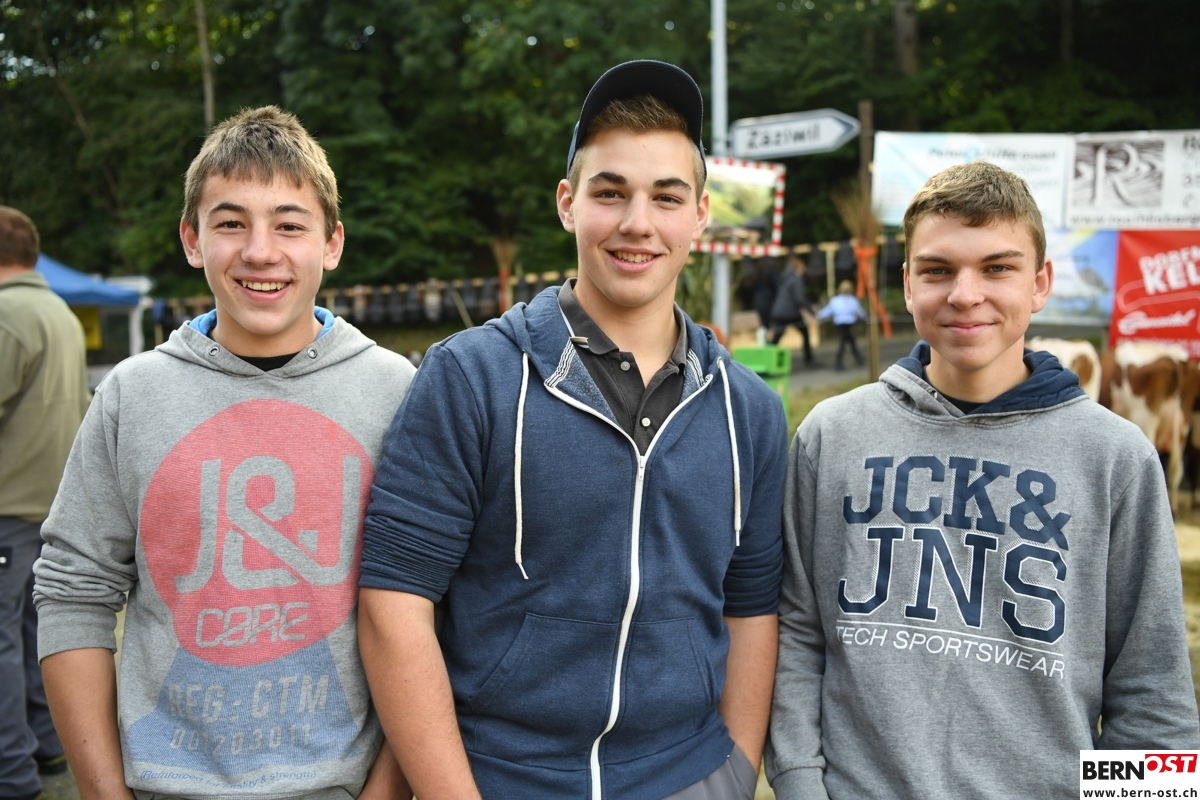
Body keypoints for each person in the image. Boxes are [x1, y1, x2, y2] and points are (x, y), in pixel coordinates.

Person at [358, 60, 787, 800]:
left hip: (687, 775)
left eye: (665, 197)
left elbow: (752, 610)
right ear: (568, 203)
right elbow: (393, 605)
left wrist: (735, 771)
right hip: (499, 778)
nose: (636, 223)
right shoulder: (471, 377)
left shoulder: (748, 409)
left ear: (700, 215)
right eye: (609, 192)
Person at [766, 160, 1200, 799]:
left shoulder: (1116, 458)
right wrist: (802, 785)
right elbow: (798, 633)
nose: (965, 294)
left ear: (1040, 283)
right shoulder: (831, 436)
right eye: (937, 270)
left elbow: (1153, 692)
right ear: (907, 283)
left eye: (997, 268)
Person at [33, 106, 415, 800]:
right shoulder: (132, 396)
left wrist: (386, 790)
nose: (260, 251)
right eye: (231, 222)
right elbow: (74, 591)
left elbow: (432, 604)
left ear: (332, 243)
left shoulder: (396, 392)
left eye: (289, 225)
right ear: (192, 238)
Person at [0, 206, 90, 800]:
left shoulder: (7, 314)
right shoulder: (58, 310)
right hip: (50, 500)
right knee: (33, 627)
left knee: (2, 637)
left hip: (8, 502)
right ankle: (46, 741)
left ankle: (10, 769)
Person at [769, 253, 816, 365]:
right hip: (790, 313)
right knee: (804, 333)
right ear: (799, 267)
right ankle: (808, 359)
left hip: (780, 311)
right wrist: (811, 312)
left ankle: (766, 359)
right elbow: (800, 299)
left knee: (776, 338)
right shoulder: (796, 280)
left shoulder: (785, 278)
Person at [815, 279, 866, 370]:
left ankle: (856, 359)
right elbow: (860, 312)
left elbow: (827, 311)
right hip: (848, 324)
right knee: (846, 342)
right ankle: (841, 362)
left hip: (840, 324)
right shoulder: (853, 300)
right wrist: (865, 318)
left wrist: (817, 315)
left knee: (849, 341)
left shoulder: (836, 300)